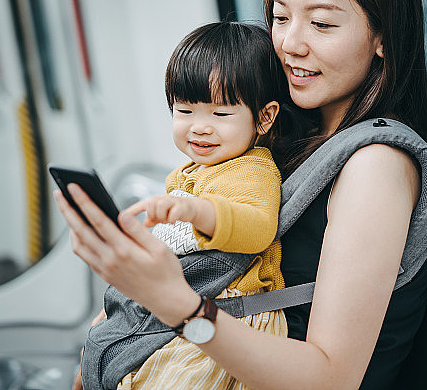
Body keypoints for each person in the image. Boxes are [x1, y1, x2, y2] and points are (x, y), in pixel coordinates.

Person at [57, 0, 427, 389]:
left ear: (383, 37)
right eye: (281, 18)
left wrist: (177, 307)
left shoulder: (375, 165)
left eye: (321, 23)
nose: (290, 43)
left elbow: (330, 379)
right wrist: (110, 334)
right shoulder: (279, 141)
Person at [87, 21, 291, 389]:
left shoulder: (252, 168)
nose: (199, 127)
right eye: (185, 111)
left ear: (264, 117)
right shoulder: (184, 175)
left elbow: (259, 228)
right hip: (194, 306)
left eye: (220, 114)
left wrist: (199, 211)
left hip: (234, 318)